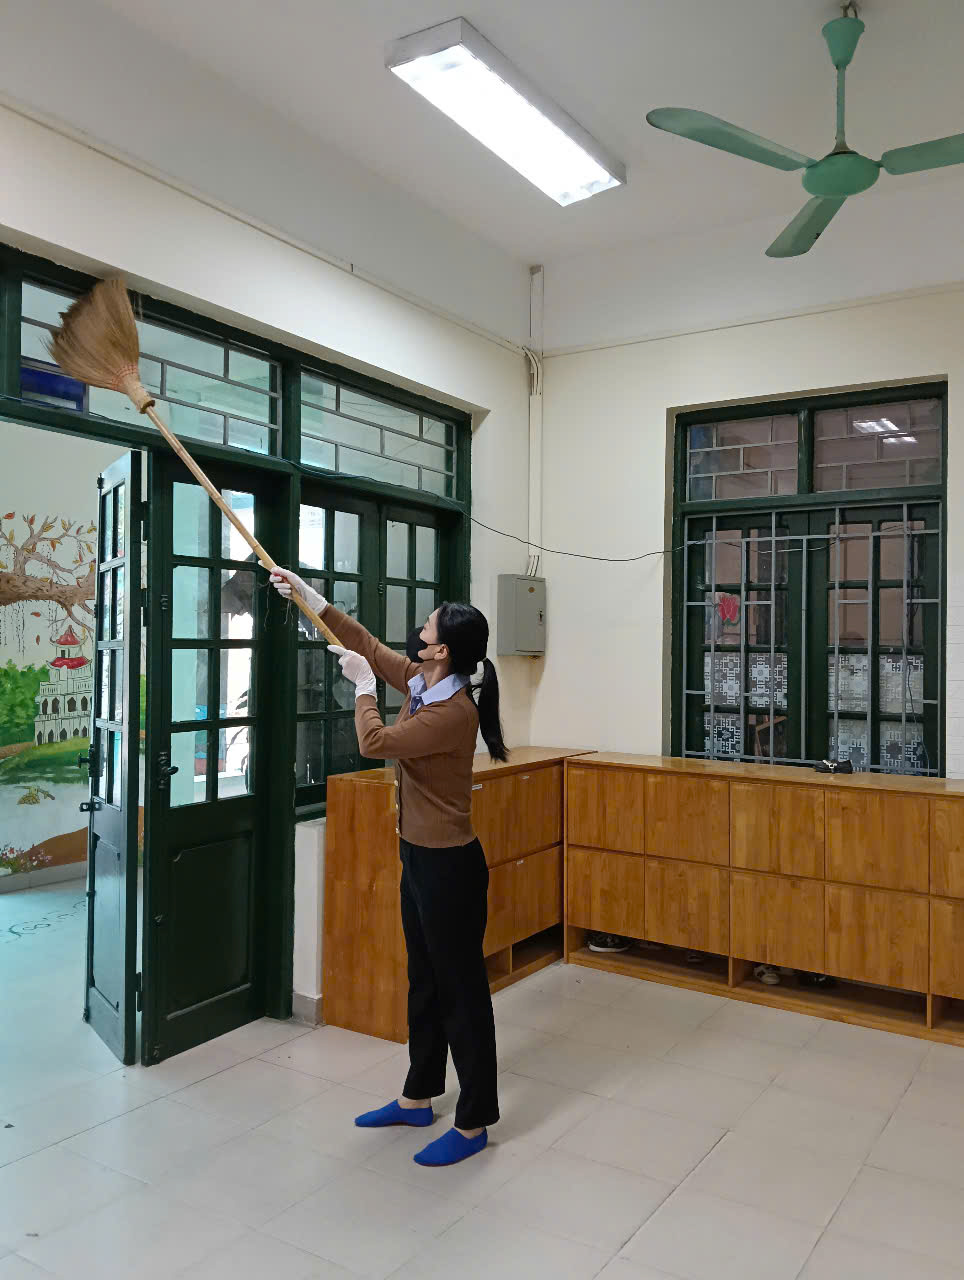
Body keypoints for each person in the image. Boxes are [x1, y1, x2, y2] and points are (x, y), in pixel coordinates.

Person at [270, 567, 508, 1167]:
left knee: (461, 993)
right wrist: (309, 598)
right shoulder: (425, 682)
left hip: (450, 867)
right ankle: (418, 1095)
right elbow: (369, 648)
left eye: (427, 627)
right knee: (423, 981)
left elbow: (374, 742)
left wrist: (362, 691)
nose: (417, 631)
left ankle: (474, 1122)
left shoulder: (453, 711)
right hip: (418, 855)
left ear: (442, 649)